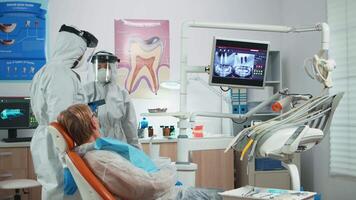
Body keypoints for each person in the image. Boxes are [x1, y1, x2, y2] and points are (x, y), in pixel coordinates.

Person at [57, 104, 222, 200]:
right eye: (94, 114)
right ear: (93, 123)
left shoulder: (94, 154)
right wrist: (171, 170)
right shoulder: (101, 160)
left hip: (168, 194)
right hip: (170, 197)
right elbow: (151, 184)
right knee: (228, 196)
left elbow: (135, 175)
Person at [30, 24, 98, 200]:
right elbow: (61, 122)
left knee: (52, 190)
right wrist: (66, 164)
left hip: (47, 140)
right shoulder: (61, 73)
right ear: (74, 49)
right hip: (58, 144)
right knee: (60, 193)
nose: (81, 57)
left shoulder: (45, 71)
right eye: (81, 52)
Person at [84, 51, 141, 149]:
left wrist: (135, 148)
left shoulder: (122, 94)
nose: (102, 70)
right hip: (95, 145)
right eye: (99, 67)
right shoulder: (86, 91)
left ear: (113, 69)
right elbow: (79, 122)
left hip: (118, 144)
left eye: (106, 67)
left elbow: (129, 124)